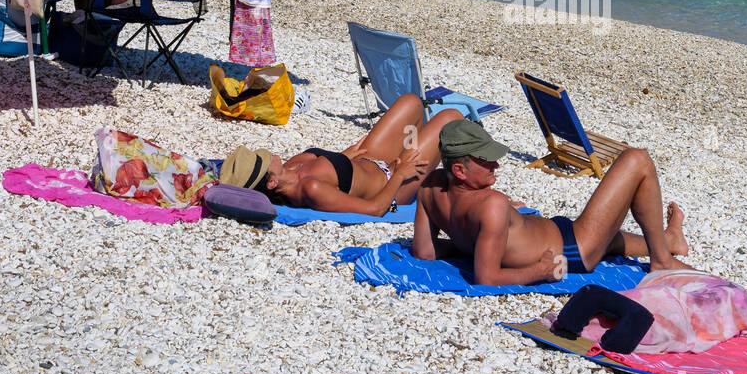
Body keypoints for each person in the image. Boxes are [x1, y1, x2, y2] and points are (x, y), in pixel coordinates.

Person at [413, 118, 693, 285]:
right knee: (637, 159)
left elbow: (425, 252)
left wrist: (478, 245)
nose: (496, 165)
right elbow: (486, 278)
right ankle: (662, 260)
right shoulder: (491, 205)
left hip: (561, 233)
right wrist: (539, 270)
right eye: (485, 161)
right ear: (459, 171)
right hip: (573, 250)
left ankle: (669, 240)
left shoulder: (429, 188)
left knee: (610, 237)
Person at [219, 94, 464, 216]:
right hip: (392, 188)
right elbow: (374, 210)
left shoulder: (290, 167)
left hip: (372, 159)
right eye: (262, 160)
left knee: (412, 103)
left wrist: (343, 157)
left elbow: (336, 174)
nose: (267, 153)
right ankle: (437, 176)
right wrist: (400, 174)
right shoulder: (311, 190)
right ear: (272, 182)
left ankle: (420, 151)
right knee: (449, 118)